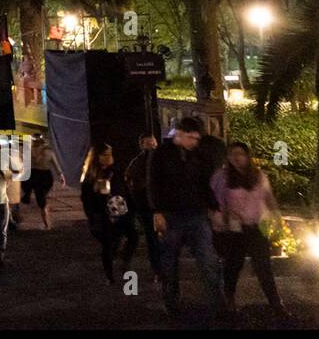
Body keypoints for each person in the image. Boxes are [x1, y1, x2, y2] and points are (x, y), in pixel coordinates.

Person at [147, 116, 226, 317]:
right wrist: (157, 211)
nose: (194, 142)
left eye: (197, 138)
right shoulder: (161, 154)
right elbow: (153, 183)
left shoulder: (199, 155)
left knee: (207, 259)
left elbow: (205, 183)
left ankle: (218, 303)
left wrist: (214, 207)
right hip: (171, 215)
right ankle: (171, 302)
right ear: (179, 134)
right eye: (190, 137)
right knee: (170, 261)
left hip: (197, 214)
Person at [211, 142, 285, 316]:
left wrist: (276, 217)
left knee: (263, 266)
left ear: (247, 156)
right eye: (232, 154)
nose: (236, 158)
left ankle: (276, 303)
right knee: (233, 265)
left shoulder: (258, 176)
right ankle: (229, 299)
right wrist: (222, 218)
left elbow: (268, 198)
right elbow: (213, 201)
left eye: (240, 154)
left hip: (256, 227)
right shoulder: (222, 177)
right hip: (234, 229)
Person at [80, 143, 139, 283]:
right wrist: (93, 215)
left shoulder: (116, 172)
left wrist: (132, 208)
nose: (109, 157)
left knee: (134, 236)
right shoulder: (90, 177)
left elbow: (126, 190)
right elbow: (86, 200)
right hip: (103, 216)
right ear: (97, 157)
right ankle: (109, 275)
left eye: (110, 154)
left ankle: (125, 259)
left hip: (121, 212)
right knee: (108, 245)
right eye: (105, 155)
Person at [124, 133, 161, 276]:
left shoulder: (160, 159)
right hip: (147, 206)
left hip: (160, 205)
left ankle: (162, 267)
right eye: (148, 143)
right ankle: (158, 268)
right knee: (152, 237)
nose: (152, 145)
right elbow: (132, 183)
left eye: (153, 143)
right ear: (142, 145)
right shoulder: (138, 163)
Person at [22, 131, 65, 229]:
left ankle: (47, 223)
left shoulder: (30, 150)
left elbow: (24, 164)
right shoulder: (48, 151)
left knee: (41, 199)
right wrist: (61, 176)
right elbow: (56, 165)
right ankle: (46, 220)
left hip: (36, 175)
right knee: (42, 198)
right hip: (45, 176)